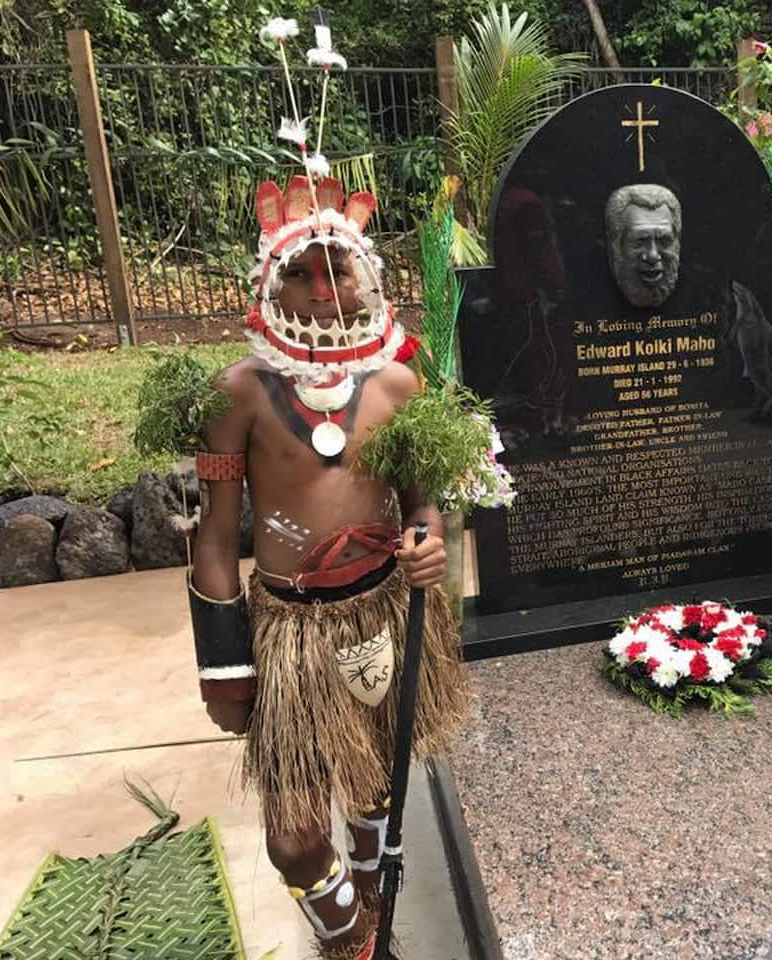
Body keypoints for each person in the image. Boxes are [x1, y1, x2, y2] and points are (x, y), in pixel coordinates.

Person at [187, 170, 471, 959]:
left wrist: (426, 542)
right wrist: (223, 667)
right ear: (268, 283)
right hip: (290, 635)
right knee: (294, 839)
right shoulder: (238, 394)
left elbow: (422, 505)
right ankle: (349, 941)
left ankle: (373, 914)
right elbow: (215, 539)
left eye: (336, 270)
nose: (320, 291)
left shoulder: (398, 385)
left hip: (380, 616)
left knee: (376, 797)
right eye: (300, 273)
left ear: (365, 277)